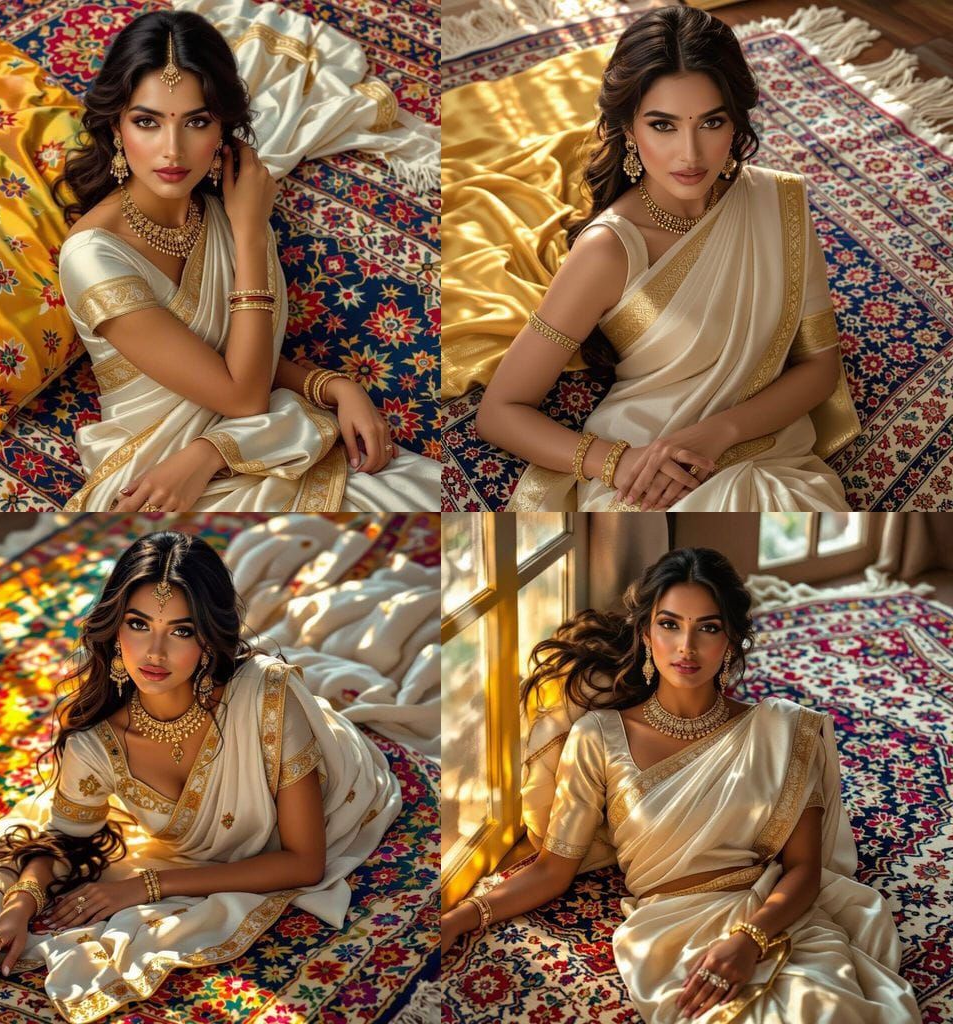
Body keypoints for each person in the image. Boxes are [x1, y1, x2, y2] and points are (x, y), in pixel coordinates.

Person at [0, 531, 401, 1023]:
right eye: (138, 624)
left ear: (208, 637)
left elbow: (305, 864)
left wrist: (146, 886)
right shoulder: (96, 741)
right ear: (114, 627)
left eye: (181, 630)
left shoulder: (266, 700)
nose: (154, 652)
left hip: (340, 796)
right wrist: (16, 911)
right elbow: (67, 842)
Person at [441, 547, 921, 1023]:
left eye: (707, 628)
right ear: (646, 634)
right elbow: (552, 871)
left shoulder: (781, 732)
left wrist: (749, 940)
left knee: (827, 1009)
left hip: (773, 917)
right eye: (669, 624)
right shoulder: (599, 737)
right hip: (669, 936)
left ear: (731, 641)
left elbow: (803, 869)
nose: (686, 647)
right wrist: (460, 918)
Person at [475, 7, 859, 512]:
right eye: (663, 125)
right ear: (629, 129)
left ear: (736, 121)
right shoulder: (609, 250)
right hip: (649, 476)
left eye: (712, 122)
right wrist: (621, 463)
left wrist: (718, 433)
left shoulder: (778, 203)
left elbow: (819, 366)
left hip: (769, 455)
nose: (691, 154)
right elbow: (500, 413)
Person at [54, 10, 439, 512]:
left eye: (196, 122)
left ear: (223, 130)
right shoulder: (93, 256)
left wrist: (332, 386)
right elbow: (243, 397)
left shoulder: (219, 209)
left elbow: (229, 357)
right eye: (147, 121)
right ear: (116, 126)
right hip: (154, 473)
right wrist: (252, 234)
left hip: (243, 442)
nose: (172, 150)